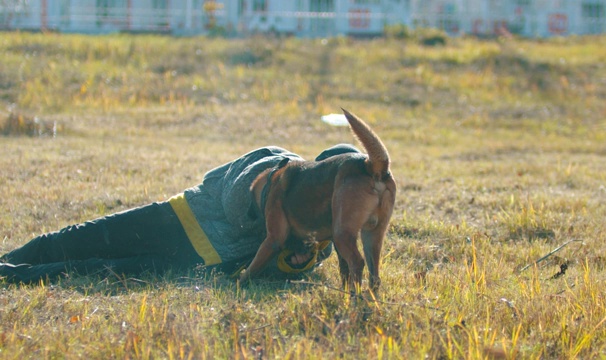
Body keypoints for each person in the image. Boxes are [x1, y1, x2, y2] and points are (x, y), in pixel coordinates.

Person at [0, 144, 360, 284]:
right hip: (177, 219)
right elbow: (235, 204)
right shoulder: (276, 160)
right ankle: (9, 261)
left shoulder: (324, 239)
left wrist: (295, 258)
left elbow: (273, 273)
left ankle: (14, 276)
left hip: (198, 262)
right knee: (80, 238)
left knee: (96, 268)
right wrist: (280, 207)